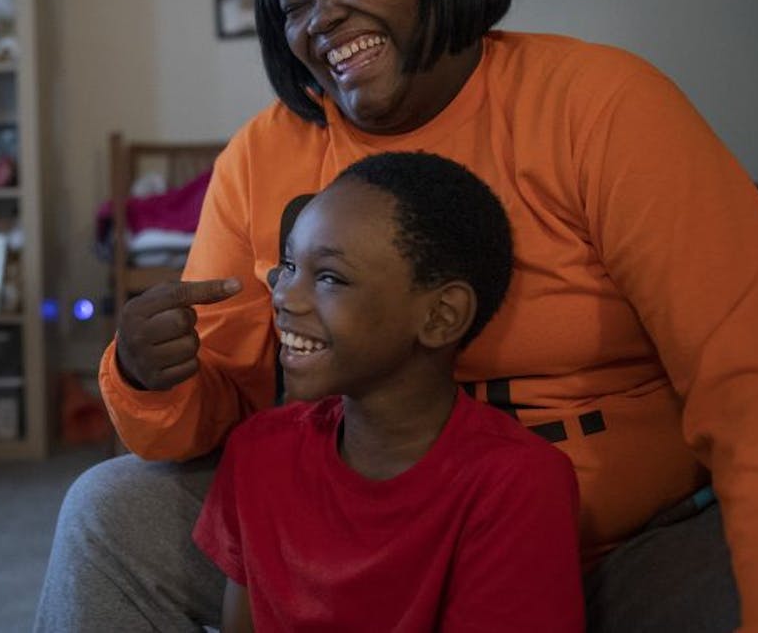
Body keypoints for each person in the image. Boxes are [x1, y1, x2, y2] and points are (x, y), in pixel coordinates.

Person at [35, 0, 758, 633]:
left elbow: (749, 380)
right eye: (294, 6)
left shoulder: (604, 106)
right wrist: (151, 375)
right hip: (349, 534)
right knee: (108, 510)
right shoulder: (262, 156)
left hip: (622, 546)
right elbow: (211, 417)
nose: (322, 18)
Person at [193, 151, 583, 631]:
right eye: (289, 265)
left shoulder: (516, 484)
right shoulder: (258, 451)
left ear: (441, 316)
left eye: (330, 277)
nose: (282, 296)